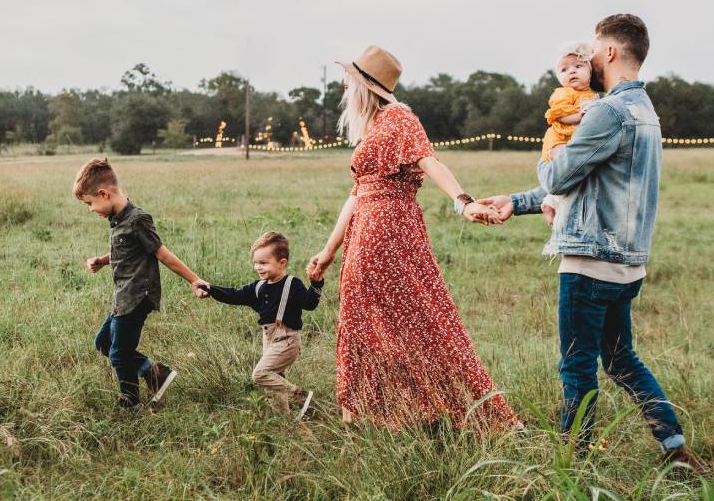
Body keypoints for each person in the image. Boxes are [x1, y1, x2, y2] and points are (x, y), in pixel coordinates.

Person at [477, 14, 704, 470]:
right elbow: (588, 182)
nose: (589, 59)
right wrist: (517, 202)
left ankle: (574, 464)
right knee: (621, 361)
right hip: (627, 264)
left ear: (612, 52)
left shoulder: (606, 111)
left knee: (577, 367)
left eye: (594, 51)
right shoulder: (645, 112)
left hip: (589, 263)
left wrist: (552, 155)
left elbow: (561, 173)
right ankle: (674, 447)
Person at [307, 45, 518, 431]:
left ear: (365, 86)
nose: (342, 87)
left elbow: (429, 160)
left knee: (417, 320)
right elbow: (356, 195)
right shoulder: (372, 127)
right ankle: (368, 413)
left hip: (388, 231)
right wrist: (328, 250)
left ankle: (440, 409)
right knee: (364, 322)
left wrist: (463, 202)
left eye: (348, 81)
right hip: (365, 232)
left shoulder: (399, 118)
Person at [74, 157, 208, 411]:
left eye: (90, 203)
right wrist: (103, 260)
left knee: (119, 353)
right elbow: (126, 253)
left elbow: (162, 253)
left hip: (137, 297)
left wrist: (194, 280)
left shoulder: (137, 219)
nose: (91, 209)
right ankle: (155, 373)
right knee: (103, 343)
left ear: (103, 193)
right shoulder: (117, 220)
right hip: (122, 297)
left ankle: (131, 402)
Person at [202, 231, 322, 419]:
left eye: (264, 263)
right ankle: (284, 420)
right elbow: (233, 295)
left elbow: (310, 304)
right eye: (256, 263)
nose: (258, 267)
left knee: (260, 374)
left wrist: (316, 283)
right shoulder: (258, 287)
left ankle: (299, 395)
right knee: (274, 383)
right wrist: (210, 288)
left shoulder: (293, 284)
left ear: (282, 263)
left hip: (287, 339)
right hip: (268, 338)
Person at [540, 42, 599, 226]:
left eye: (578, 66)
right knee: (566, 165)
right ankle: (552, 203)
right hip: (559, 138)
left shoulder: (593, 95)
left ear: (590, 71)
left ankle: (550, 202)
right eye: (564, 70)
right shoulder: (563, 93)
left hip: (572, 139)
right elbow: (559, 114)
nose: (571, 71)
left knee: (574, 172)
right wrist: (578, 116)